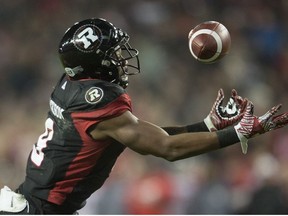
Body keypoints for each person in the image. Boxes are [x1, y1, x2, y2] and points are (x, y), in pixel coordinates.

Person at [1, 18, 288, 215]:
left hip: (33, 202)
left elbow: (147, 136)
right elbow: (166, 148)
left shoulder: (72, 85)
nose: (121, 60)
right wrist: (238, 133)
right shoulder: (99, 104)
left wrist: (208, 125)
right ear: (95, 63)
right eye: (113, 54)